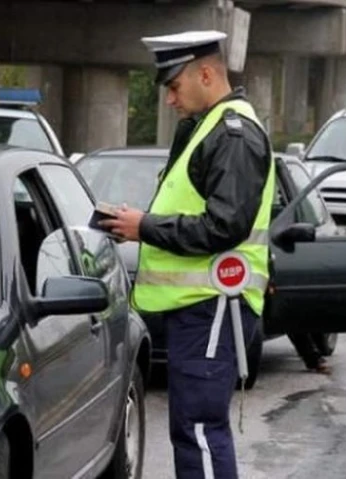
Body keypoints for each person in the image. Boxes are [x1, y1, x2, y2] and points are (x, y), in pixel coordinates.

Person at [99, 30, 276, 478]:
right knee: (192, 428)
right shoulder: (208, 130)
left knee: (199, 428)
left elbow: (224, 226)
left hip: (215, 302)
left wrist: (146, 227)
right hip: (198, 308)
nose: (170, 100)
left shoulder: (232, 135)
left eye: (174, 87)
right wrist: (135, 225)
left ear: (205, 73)